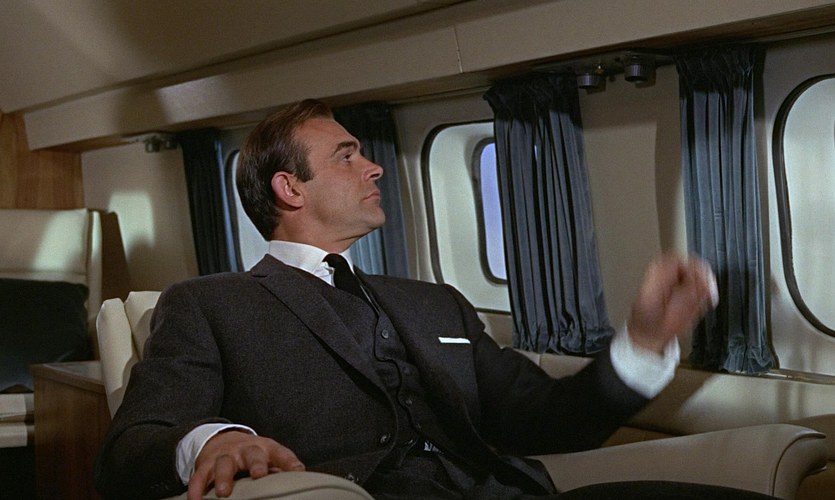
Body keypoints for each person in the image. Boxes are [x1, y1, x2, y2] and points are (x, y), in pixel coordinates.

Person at [95, 99, 767, 500]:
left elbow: (552, 422)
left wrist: (642, 342)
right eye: (346, 156)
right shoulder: (211, 304)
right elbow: (130, 449)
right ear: (289, 189)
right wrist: (216, 440)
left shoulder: (433, 303)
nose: (374, 167)